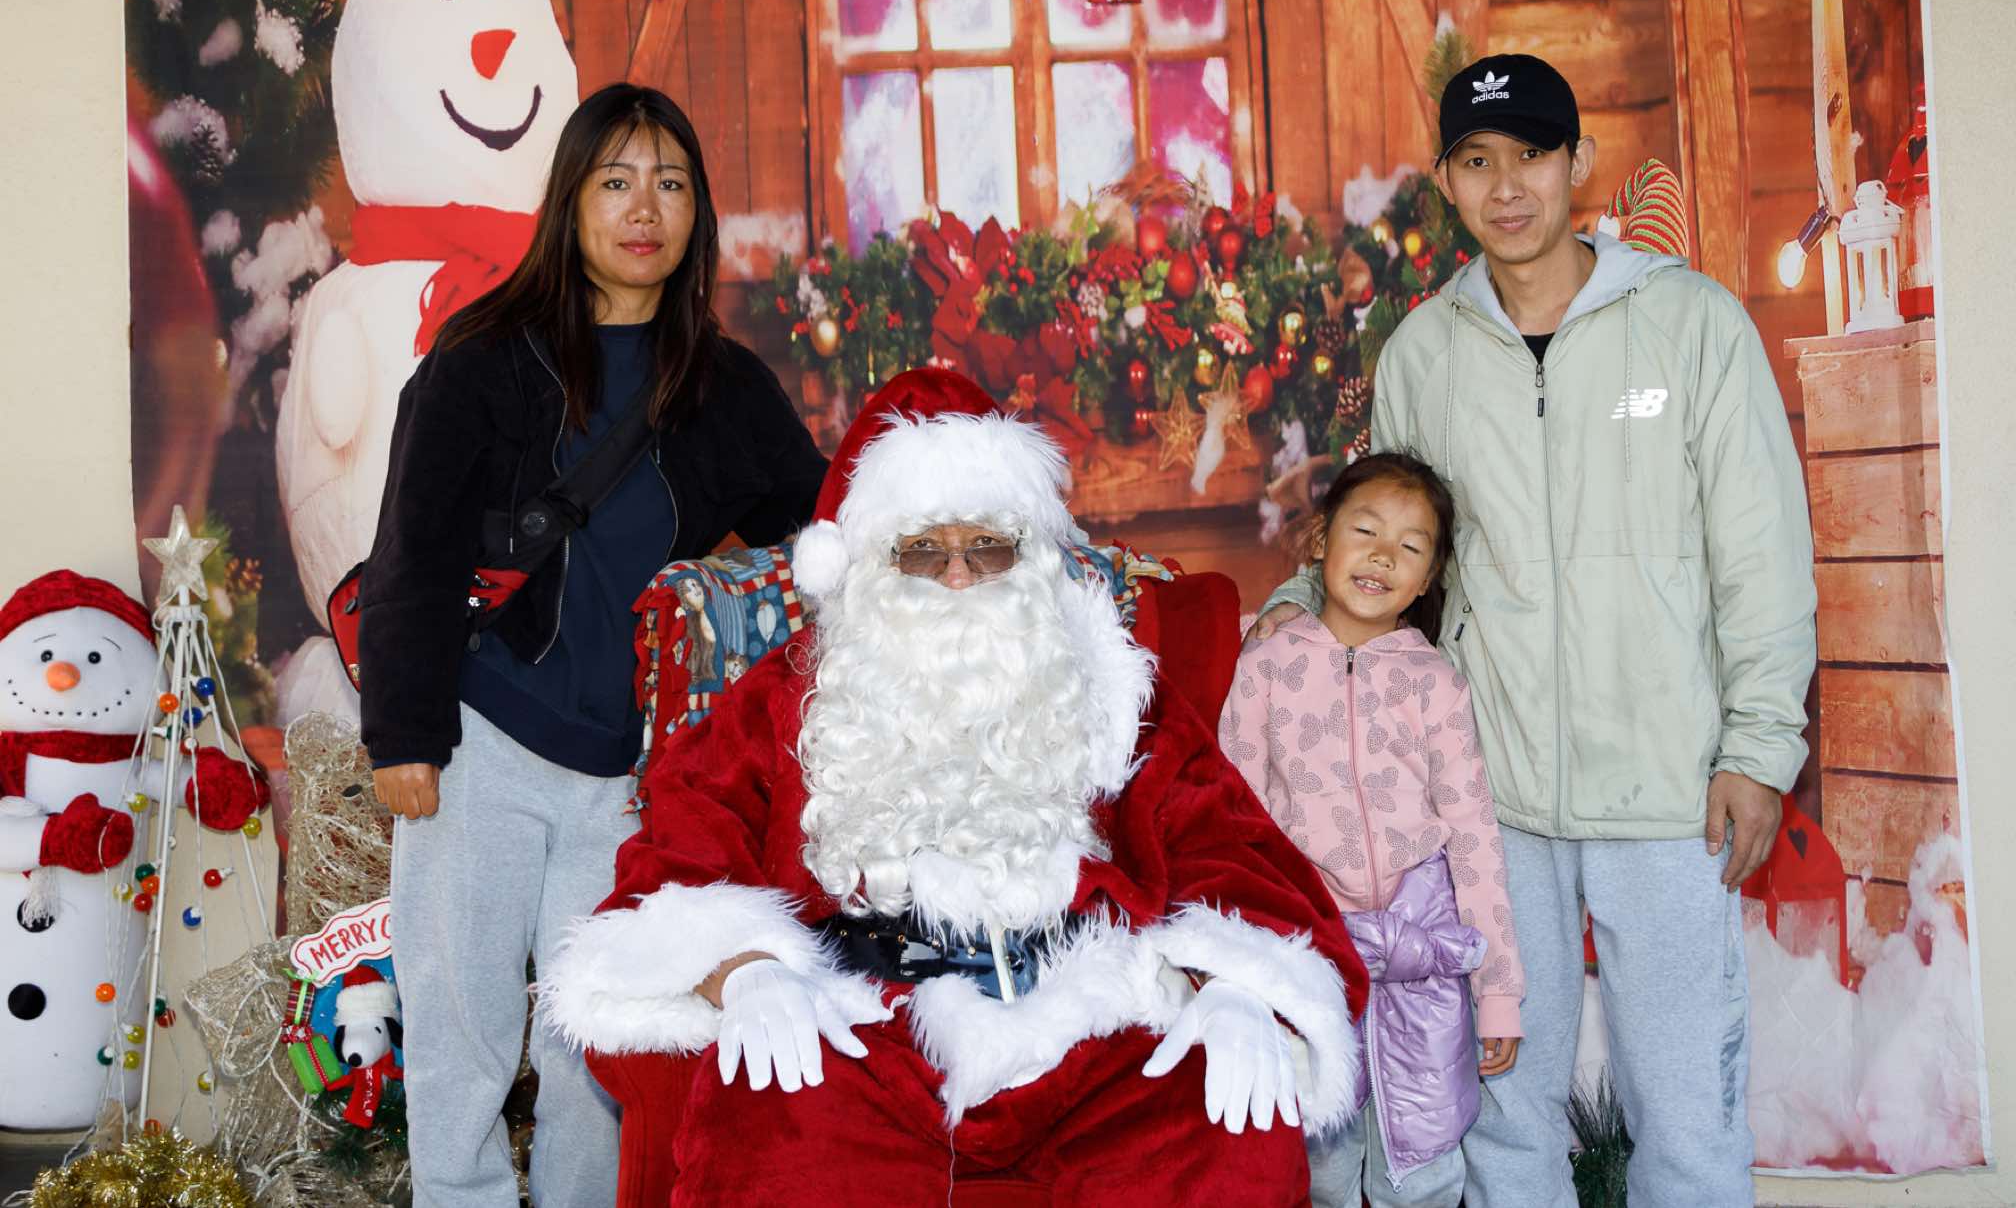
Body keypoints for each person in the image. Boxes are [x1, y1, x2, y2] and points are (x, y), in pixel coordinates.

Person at [534, 370, 1371, 1208]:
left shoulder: (1113, 689)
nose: (961, 576)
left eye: (988, 546)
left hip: (1095, 1025)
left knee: (1231, 1131)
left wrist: (1236, 985)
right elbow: (681, 845)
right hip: (864, 1031)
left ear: (1029, 555)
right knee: (766, 1127)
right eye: (924, 550)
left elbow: (1230, 844)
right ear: (870, 563)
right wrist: (743, 968)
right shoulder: (790, 696)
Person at [1255, 53, 1816, 1207]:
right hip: (1486, 802)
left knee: (1687, 1119)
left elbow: (1760, 552)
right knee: (1507, 1121)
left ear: (1576, 163)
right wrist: (1291, 610)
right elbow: (1388, 547)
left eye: (1530, 156)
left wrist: (1759, 749)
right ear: (1446, 183)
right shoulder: (1423, 353)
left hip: (1669, 794)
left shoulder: (1691, 325)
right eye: (1476, 161)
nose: (1505, 186)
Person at [358, 82, 828, 1207]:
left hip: (628, 773)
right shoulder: (483, 359)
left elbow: (822, 529)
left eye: (670, 183)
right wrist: (404, 736)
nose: (643, 209)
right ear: (570, 200)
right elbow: (413, 548)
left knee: (597, 1045)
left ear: (696, 212)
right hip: (480, 741)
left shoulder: (723, 385)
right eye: (616, 181)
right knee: (461, 1022)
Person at [1225, 452, 1522, 1208]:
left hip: (1420, 959)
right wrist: (1239, 963)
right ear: (1321, 538)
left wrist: (1497, 994)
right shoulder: (1266, 665)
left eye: (1410, 546)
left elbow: (1474, 840)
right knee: (1317, 1162)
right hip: (1311, 950)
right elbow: (1235, 822)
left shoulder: (1437, 685)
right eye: (1365, 531)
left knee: (1421, 1164)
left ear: (1428, 580)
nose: (1384, 555)